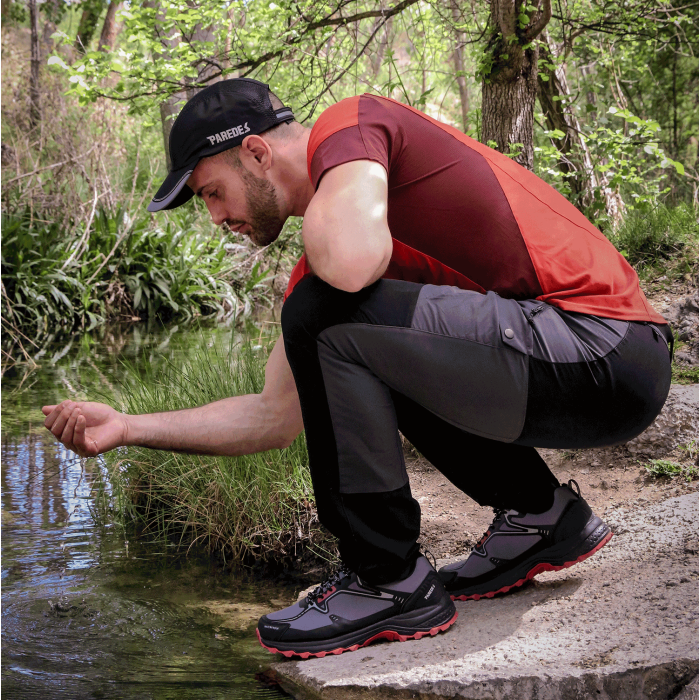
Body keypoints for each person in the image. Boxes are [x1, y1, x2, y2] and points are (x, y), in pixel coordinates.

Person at [43, 78, 673, 659]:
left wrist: (308, 261)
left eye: (212, 191)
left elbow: (344, 268)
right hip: (578, 367)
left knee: (319, 310)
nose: (216, 217)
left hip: (605, 346)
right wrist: (127, 426)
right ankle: (541, 516)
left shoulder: (352, 126)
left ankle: (387, 580)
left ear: (258, 152)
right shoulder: (345, 264)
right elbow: (272, 417)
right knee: (329, 320)